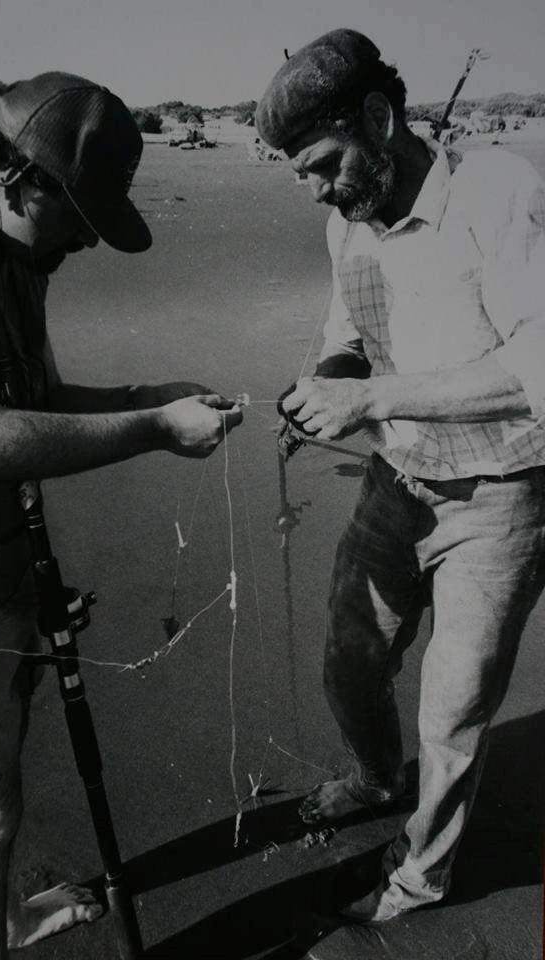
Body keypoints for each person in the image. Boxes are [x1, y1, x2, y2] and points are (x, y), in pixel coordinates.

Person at [0, 72, 242, 959]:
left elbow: (35, 396)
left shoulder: (18, 247)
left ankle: (4, 921)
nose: (85, 242)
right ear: (22, 178)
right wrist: (157, 428)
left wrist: (145, 394)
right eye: (79, 217)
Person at [256, 29, 545, 922]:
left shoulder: (502, 193)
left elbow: (537, 366)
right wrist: (327, 390)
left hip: (503, 495)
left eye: (324, 163)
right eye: (299, 171)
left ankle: (423, 873)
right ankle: (378, 781)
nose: (316, 189)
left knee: (451, 714)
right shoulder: (347, 218)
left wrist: (375, 396)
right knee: (351, 662)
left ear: (381, 119)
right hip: (397, 480)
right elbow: (347, 341)